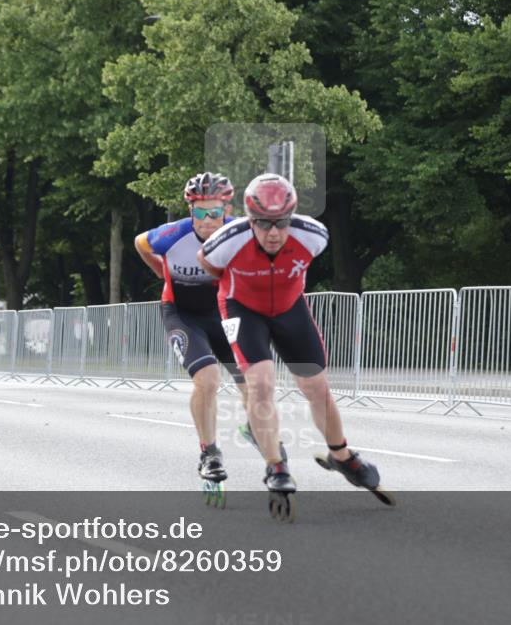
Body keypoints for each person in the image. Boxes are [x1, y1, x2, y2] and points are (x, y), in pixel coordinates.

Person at [197, 173, 390, 511]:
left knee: (316, 387)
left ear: (293, 216)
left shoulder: (314, 235)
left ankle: (341, 455)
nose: (274, 232)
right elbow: (209, 266)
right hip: (241, 307)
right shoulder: (227, 240)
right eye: (264, 224)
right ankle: (276, 466)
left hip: (289, 307)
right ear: (250, 219)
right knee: (260, 383)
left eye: (281, 222)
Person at [134, 172, 246, 492]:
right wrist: (162, 271)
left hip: (223, 313)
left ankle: (256, 428)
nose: (208, 220)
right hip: (182, 314)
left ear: (227, 209)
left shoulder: (239, 233)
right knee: (208, 380)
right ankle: (209, 453)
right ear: (189, 211)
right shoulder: (173, 235)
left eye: (215, 212)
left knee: (254, 376)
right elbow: (140, 242)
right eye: (200, 212)